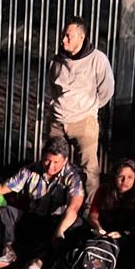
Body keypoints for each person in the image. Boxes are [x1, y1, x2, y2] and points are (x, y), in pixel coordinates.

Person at [0, 137, 85, 269]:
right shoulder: (30, 170)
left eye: (56, 162)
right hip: (34, 219)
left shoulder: (73, 176)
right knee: (6, 211)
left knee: (75, 222)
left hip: (56, 222)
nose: (50, 166)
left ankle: (39, 262)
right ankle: (8, 251)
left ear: (65, 160)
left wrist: (60, 230)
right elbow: (2, 188)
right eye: (47, 160)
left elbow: (73, 207)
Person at [47, 16, 114, 206]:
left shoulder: (98, 60)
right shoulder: (57, 60)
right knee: (52, 164)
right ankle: (54, 203)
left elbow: (107, 90)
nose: (63, 40)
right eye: (63, 35)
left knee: (89, 169)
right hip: (58, 120)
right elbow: (53, 85)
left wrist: (89, 109)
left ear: (81, 37)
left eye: (68, 36)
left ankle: (89, 210)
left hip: (84, 121)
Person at [80, 158, 135, 269]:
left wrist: (123, 233)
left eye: (130, 177)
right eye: (120, 176)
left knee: (134, 243)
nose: (125, 181)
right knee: (79, 230)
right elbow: (93, 215)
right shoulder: (104, 190)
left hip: (126, 233)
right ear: (114, 176)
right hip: (104, 230)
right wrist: (98, 228)